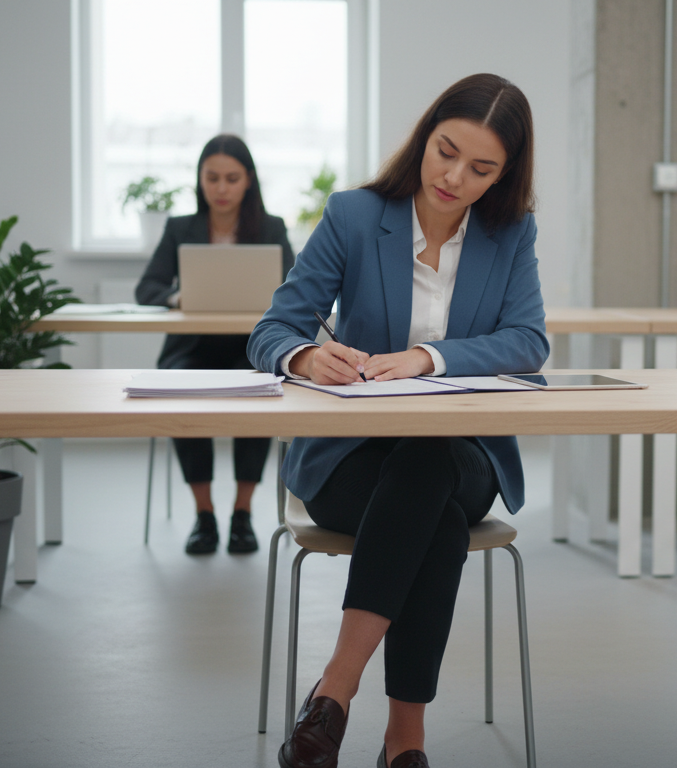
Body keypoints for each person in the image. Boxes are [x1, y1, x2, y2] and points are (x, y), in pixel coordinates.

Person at [248, 73, 546, 768]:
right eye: (445, 152)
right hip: (350, 461)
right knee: (431, 509)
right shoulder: (355, 216)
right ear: (424, 136)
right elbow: (273, 329)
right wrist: (303, 356)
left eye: (481, 169)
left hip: (462, 456)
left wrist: (427, 358)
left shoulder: (510, 234)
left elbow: (528, 342)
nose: (453, 177)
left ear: (504, 176)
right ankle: (403, 741)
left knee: (428, 459)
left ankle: (334, 692)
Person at [136, 134, 295, 555]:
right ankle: (203, 514)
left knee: (261, 390)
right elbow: (146, 287)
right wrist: (177, 296)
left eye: (231, 178)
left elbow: (297, 290)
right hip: (192, 347)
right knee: (180, 393)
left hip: (252, 346)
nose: (221, 188)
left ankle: (242, 513)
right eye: (212, 178)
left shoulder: (270, 228)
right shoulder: (180, 228)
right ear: (199, 180)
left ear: (248, 181)